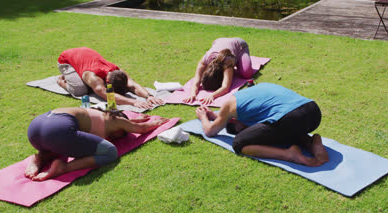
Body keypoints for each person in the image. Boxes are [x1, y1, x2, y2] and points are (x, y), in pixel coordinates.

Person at [195, 83, 329, 167]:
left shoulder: (228, 104)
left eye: (239, 128)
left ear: (233, 120)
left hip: (291, 118)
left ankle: (290, 154)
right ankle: (312, 143)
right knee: (280, 129)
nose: (245, 129)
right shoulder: (257, 89)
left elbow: (210, 131)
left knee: (239, 143)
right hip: (313, 112)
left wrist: (203, 117)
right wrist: (215, 116)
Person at [25, 107, 168, 181]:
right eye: (124, 133)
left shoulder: (98, 113)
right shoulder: (116, 120)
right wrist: (154, 123)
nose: (120, 137)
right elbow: (141, 130)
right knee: (111, 151)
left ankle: (39, 158)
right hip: (58, 131)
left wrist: (134, 120)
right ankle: (64, 167)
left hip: (36, 128)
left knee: (63, 143)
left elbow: (126, 123)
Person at [57, 47, 163, 109]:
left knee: (88, 88)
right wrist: (133, 102)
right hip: (66, 60)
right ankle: (61, 80)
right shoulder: (94, 77)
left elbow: (133, 85)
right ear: (107, 82)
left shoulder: (118, 71)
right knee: (80, 90)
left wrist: (148, 96)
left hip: (85, 53)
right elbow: (106, 95)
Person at [183, 38, 253, 105]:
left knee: (246, 73)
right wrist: (192, 94)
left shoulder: (227, 62)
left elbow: (225, 87)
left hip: (239, 44)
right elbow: (196, 81)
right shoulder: (204, 62)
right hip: (218, 41)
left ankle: (238, 58)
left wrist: (212, 96)